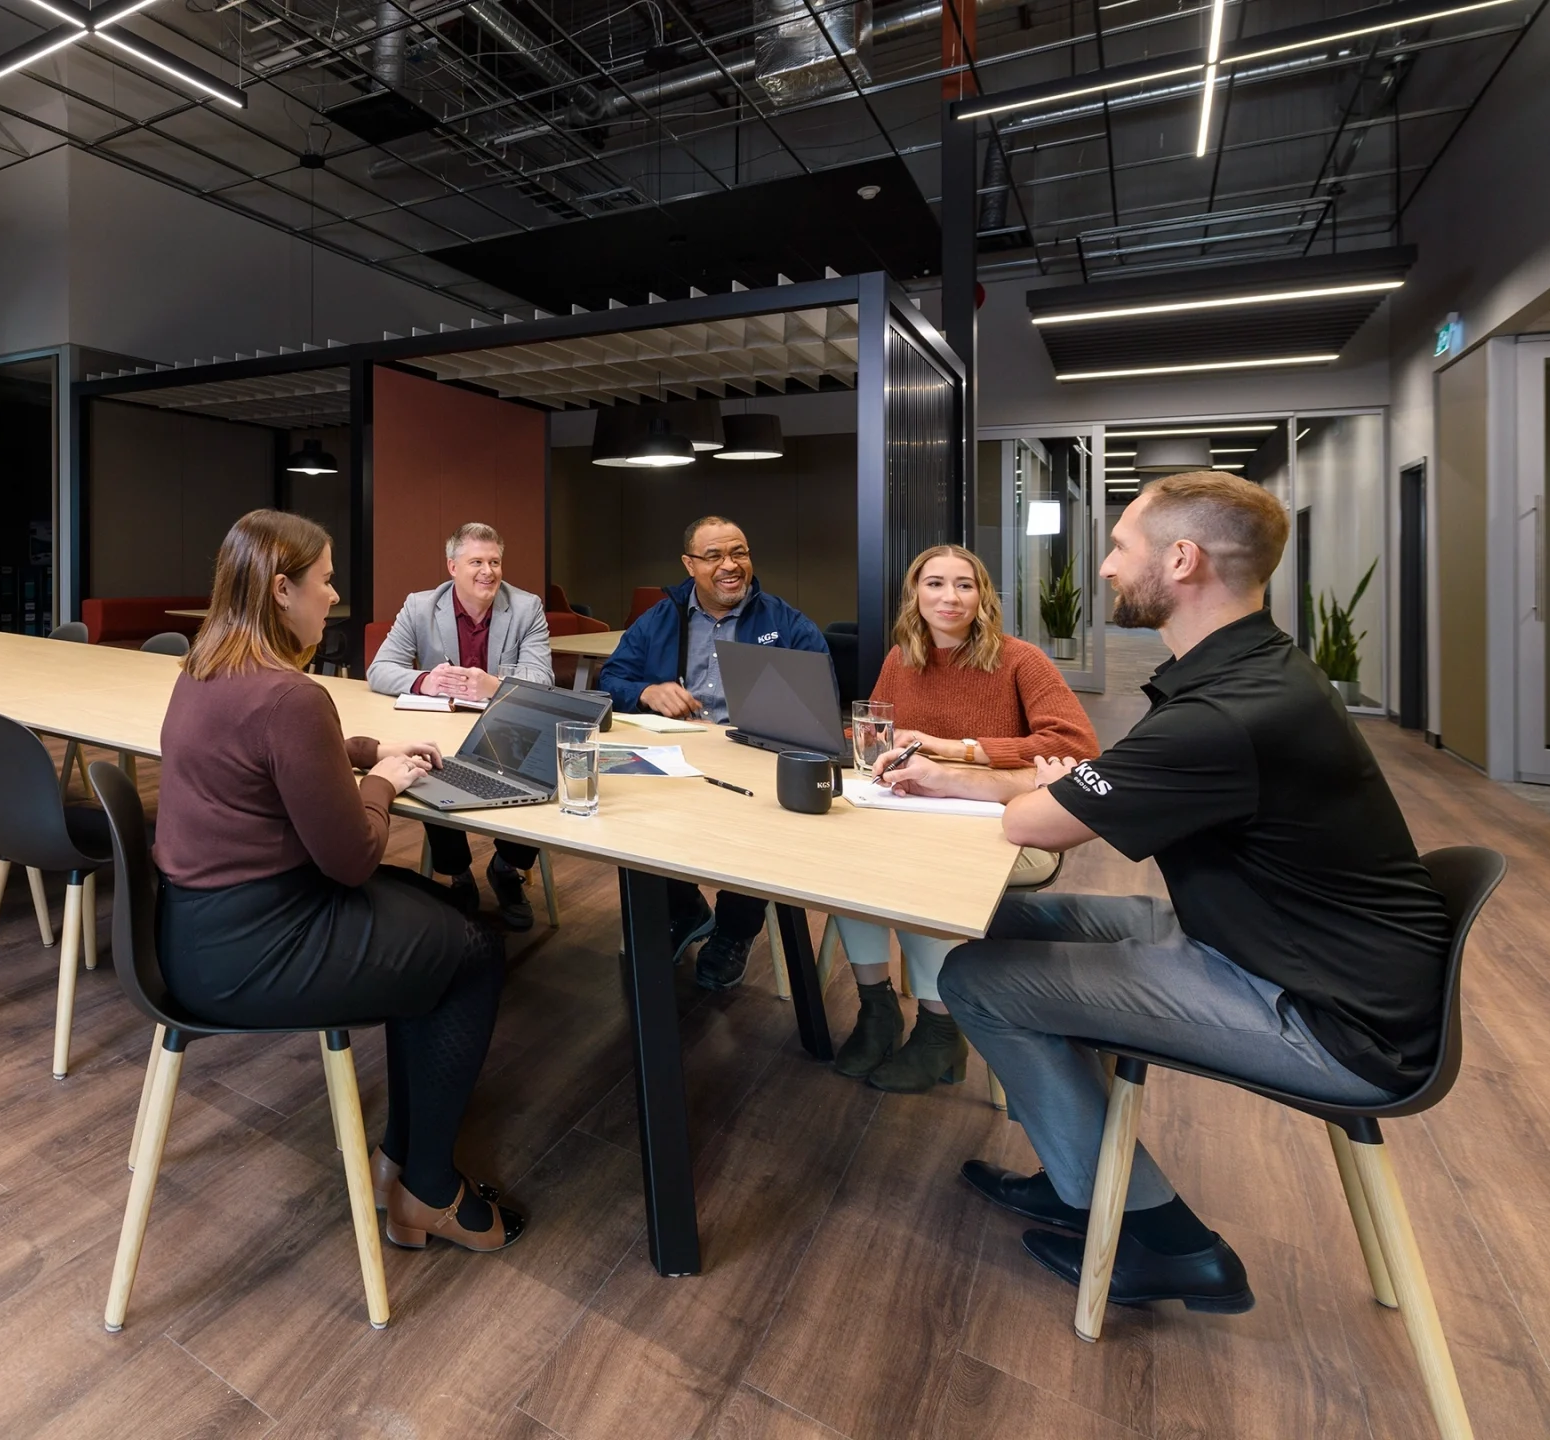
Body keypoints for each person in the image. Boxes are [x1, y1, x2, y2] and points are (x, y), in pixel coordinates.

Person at [880, 472, 1452, 1316]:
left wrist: (1032, 793)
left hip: (1322, 1011)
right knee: (1008, 917)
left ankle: (1170, 1242)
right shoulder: (1248, 672)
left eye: (1120, 548)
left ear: (1181, 560)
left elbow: (1038, 822)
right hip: (1272, 944)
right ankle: (1080, 1171)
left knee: (974, 979)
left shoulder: (1223, 713)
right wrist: (948, 778)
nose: (1107, 568)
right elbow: (1072, 785)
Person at [154, 509, 525, 1251]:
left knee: (431, 914)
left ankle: (402, 1158)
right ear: (283, 589)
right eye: (325, 582)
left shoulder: (206, 667)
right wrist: (383, 779)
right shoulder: (290, 696)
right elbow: (352, 858)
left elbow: (269, 753)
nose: (335, 596)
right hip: (256, 951)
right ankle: (426, 1191)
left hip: (196, 934)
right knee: (475, 947)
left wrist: (358, 748)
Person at [828, 544, 1099, 1094]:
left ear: (983, 597)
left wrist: (958, 749)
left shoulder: (1020, 659)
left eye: (964, 585)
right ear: (915, 594)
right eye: (934, 584)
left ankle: (938, 1029)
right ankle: (876, 1008)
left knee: (917, 874)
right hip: (914, 808)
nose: (949, 597)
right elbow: (878, 732)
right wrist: (867, 746)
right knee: (845, 863)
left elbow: (1076, 746)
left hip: (1000, 820)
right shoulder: (901, 659)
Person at [598, 516, 829, 988]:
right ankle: (684, 909)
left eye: (739, 553)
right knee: (625, 810)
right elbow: (612, 679)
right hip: (672, 754)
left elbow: (820, 701)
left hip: (751, 756)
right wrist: (647, 692)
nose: (730, 565)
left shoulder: (784, 623)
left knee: (761, 828)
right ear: (689, 564)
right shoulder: (660, 618)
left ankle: (734, 930)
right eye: (714, 556)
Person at [367, 522, 554, 930]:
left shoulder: (526, 607)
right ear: (452, 566)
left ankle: (508, 868)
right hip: (444, 726)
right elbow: (379, 670)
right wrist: (424, 680)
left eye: (495, 562)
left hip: (506, 728)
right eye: (476, 562)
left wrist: (492, 685)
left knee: (541, 772)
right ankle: (458, 874)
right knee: (427, 762)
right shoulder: (420, 606)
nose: (488, 571)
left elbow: (543, 679)